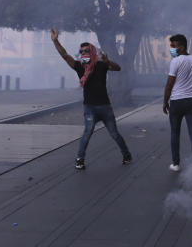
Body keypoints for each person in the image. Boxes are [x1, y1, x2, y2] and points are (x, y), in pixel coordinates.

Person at [50, 28, 132, 170]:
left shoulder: (101, 65)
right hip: (90, 108)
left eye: (86, 51)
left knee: (114, 134)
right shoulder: (79, 67)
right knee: (87, 134)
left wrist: (108, 61)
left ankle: (126, 154)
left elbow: (118, 68)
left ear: (92, 52)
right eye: (81, 52)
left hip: (105, 108)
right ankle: (79, 160)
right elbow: (64, 55)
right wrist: (55, 40)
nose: (83, 54)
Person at [162, 33, 192, 172]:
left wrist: (165, 102)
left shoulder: (176, 61)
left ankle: (176, 164)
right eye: (171, 46)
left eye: (174, 46)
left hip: (177, 102)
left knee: (175, 133)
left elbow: (169, 84)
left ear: (182, 47)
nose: (171, 49)